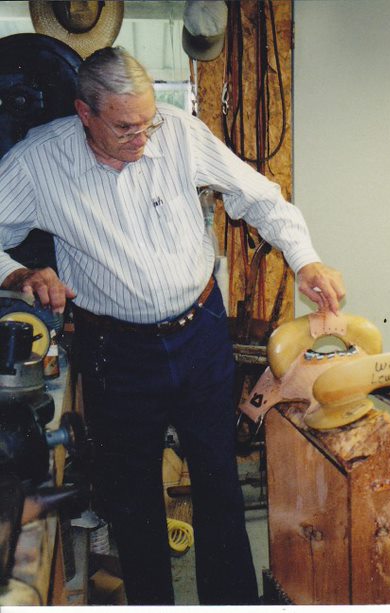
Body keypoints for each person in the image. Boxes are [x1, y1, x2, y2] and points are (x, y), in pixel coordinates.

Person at [0, 46, 344, 604]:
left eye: (148, 122)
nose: (142, 137)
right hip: (114, 351)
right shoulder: (39, 160)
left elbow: (259, 197)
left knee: (218, 481)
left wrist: (306, 260)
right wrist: (18, 273)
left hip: (199, 333)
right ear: (85, 113)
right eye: (125, 127)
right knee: (132, 497)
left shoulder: (179, 132)